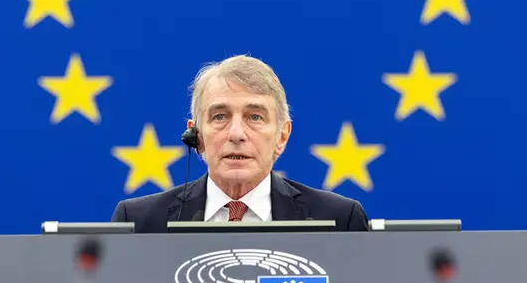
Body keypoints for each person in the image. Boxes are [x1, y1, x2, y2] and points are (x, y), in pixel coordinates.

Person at [111, 55, 370, 231]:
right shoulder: (140, 223)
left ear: (282, 136)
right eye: (220, 116)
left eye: (254, 117)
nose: (236, 133)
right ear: (196, 135)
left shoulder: (338, 220)